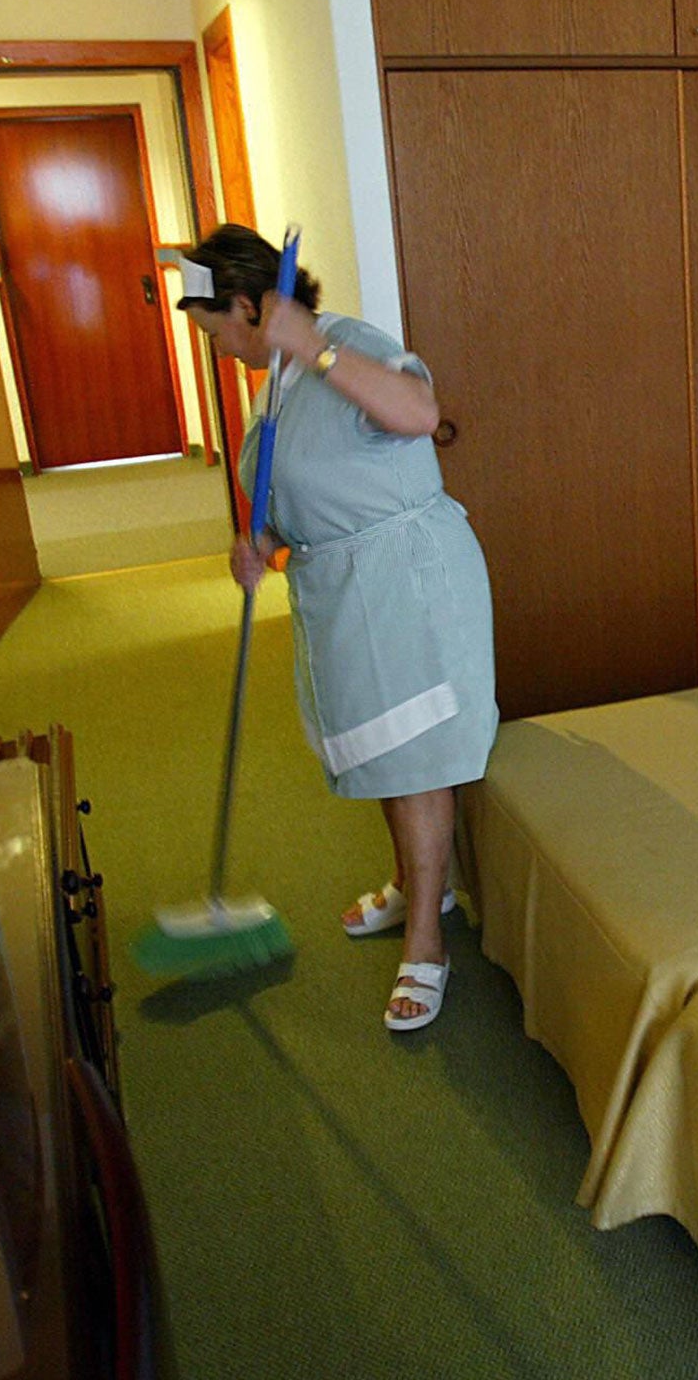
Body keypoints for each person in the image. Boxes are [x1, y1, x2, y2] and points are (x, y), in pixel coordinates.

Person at [177, 224, 497, 1032]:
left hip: (408, 585)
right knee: (385, 754)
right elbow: (296, 500)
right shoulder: (272, 381)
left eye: (215, 331)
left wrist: (313, 345)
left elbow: (419, 413)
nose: (215, 349)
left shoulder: (339, 346)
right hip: (345, 592)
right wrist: (262, 544)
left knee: (416, 759)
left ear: (249, 307)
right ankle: (417, 882)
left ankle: (427, 942)